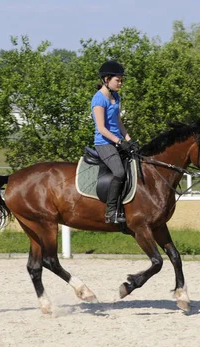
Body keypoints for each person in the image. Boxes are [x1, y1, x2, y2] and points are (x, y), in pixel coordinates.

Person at [91, 60, 135, 224]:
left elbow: (118, 121)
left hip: (117, 142)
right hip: (104, 144)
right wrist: (119, 141)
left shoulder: (116, 96)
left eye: (122, 80)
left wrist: (129, 139)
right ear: (106, 79)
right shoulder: (98, 100)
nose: (121, 83)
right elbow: (101, 128)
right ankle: (110, 212)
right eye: (118, 80)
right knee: (119, 173)